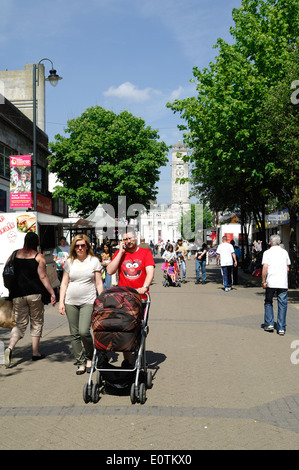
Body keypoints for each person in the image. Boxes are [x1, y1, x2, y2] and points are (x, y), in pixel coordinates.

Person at [4, 232, 56, 368]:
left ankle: (10, 348)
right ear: (36, 242)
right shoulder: (39, 257)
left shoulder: (14, 254)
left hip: (17, 295)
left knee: (20, 324)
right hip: (35, 295)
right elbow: (43, 277)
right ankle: (35, 352)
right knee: (36, 322)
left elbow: (7, 271)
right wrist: (52, 293)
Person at [107, 227, 155, 366]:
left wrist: (144, 287)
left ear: (136, 237)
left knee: (139, 328)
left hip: (141, 298)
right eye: (125, 239)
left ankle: (139, 355)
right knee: (124, 329)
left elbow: (150, 272)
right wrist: (121, 253)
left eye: (130, 238)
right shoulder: (119, 253)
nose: (128, 241)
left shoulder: (145, 253)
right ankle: (127, 360)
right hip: (123, 298)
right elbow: (110, 271)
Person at [58, 234, 103, 375]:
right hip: (70, 301)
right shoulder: (70, 262)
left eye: (82, 245)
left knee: (84, 331)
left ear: (87, 246)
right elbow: (64, 283)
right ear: (73, 247)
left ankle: (90, 356)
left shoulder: (94, 261)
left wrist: (102, 301)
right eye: (77, 246)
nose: (80, 248)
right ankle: (81, 361)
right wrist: (61, 302)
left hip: (88, 301)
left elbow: (99, 283)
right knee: (74, 334)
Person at [262, 234, 291, 335]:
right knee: (282, 304)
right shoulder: (285, 252)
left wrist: (263, 281)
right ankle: (281, 327)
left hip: (271, 282)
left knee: (268, 301)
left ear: (270, 242)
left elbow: (265, 267)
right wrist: (284, 277)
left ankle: (269, 323)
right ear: (280, 242)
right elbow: (287, 268)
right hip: (283, 283)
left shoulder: (267, 253)